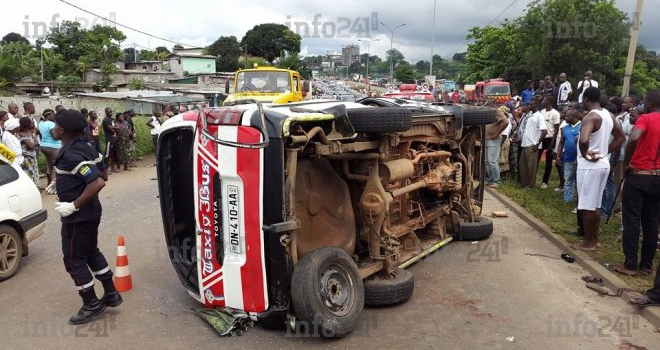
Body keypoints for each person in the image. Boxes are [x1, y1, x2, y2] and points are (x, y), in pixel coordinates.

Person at [52, 109, 122, 325]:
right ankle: (111, 294)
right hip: (92, 212)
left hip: (78, 217)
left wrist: (72, 205)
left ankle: (91, 303)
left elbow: (97, 182)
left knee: (74, 260)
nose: (53, 128)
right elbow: (104, 173)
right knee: (91, 252)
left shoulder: (72, 154)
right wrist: (63, 182)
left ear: (62, 130)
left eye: (55, 125)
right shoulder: (87, 147)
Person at [571, 87, 624, 252]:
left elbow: (584, 139)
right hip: (602, 164)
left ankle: (588, 242)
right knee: (595, 205)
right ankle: (595, 239)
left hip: (589, 166)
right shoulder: (607, 114)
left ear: (586, 99)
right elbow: (621, 136)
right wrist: (605, 151)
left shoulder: (590, 117)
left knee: (586, 205)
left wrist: (585, 153)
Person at [615, 90, 660, 277]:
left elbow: (633, 137)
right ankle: (646, 266)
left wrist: (627, 164)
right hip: (657, 178)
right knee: (651, 222)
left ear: (649, 103)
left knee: (632, 219)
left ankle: (631, 265)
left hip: (639, 174)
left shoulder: (646, 119)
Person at [518, 97, 548, 188]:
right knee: (522, 165)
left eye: (531, 104)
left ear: (535, 105)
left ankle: (531, 186)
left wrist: (537, 144)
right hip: (525, 144)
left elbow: (544, 131)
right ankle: (524, 183)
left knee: (531, 167)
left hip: (532, 145)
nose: (529, 106)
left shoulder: (539, 116)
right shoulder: (530, 115)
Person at [556, 108, 581, 203]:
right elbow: (561, 143)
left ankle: (578, 200)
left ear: (574, 117)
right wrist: (558, 155)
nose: (565, 117)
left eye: (567, 116)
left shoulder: (582, 126)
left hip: (579, 158)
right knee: (568, 179)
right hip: (567, 157)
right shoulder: (565, 128)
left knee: (579, 180)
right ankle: (567, 199)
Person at [537, 96, 561, 189]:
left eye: (544, 99)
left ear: (549, 101)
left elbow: (556, 129)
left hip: (550, 138)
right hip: (541, 138)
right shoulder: (542, 112)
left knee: (548, 162)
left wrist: (553, 142)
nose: (543, 101)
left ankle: (545, 182)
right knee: (537, 158)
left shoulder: (555, 113)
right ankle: (533, 178)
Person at [485, 103, 510, 188]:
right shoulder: (489, 113)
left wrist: (496, 133)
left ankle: (497, 181)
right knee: (487, 161)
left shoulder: (497, 111)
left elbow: (506, 122)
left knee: (492, 161)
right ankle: (490, 179)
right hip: (487, 139)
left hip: (494, 139)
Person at [38, 109, 61, 192]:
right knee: (58, 166)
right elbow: (55, 137)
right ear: (48, 116)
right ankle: (56, 186)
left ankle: (50, 185)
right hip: (53, 147)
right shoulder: (51, 124)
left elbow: (40, 134)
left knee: (50, 166)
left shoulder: (40, 123)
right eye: (52, 115)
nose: (54, 116)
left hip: (44, 146)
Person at [18, 117, 40, 186]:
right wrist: (35, 142)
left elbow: (35, 142)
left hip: (32, 156)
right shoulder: (21, 134)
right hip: (27, 158)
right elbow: (32, 146)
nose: (32, 124)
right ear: (27, 124)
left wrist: (34, 142)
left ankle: (36, 187)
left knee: (34, 173)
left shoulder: (29, 132)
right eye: (30, 122)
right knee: (29, 174)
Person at [101, 107, 117, 174]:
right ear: (106, 112)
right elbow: (111, 129)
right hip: (109, 139)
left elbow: (116, 128)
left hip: (114, 139)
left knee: (114, 154)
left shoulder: (113, 119)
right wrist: (115, 128)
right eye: (109, 112)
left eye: (111, 111)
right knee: (107, 155)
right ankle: (106, 170)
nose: (110, 113)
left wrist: (115, 128)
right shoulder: (106, 120)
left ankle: (113, 169)